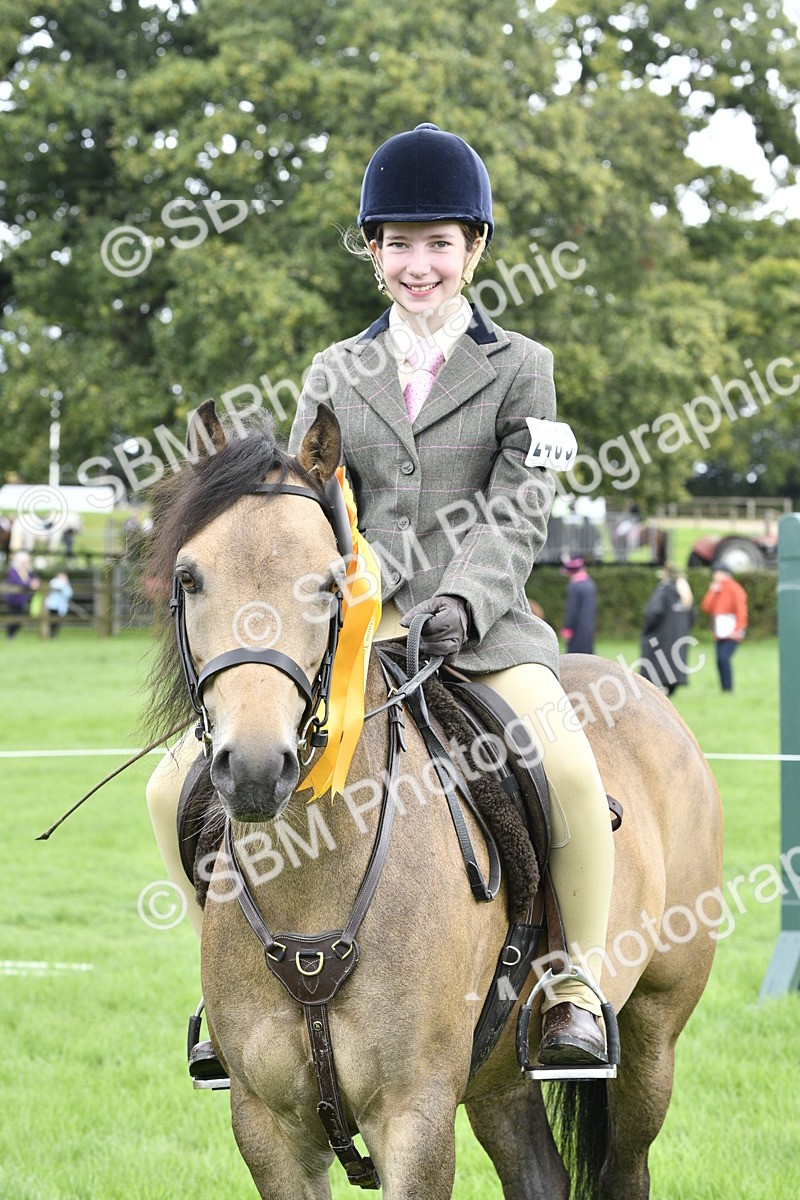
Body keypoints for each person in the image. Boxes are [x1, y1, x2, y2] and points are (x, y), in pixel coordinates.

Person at [147, 121, 616, 1074]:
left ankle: (577, 988)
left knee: (568, 772)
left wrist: (465, 600)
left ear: (473, 248)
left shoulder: (522, 366)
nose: (418, 264)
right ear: (373, 252)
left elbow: (521, 502)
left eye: (439, 243)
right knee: (171, 788)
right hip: (354, 627)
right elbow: (308, 510)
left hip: (480, 628)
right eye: (398, 244)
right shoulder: (334, 371)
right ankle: (225, 984)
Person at [639, 563, 695, 696]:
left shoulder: (663, 590)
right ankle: (671, 687)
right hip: (680, 635)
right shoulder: (685, 592)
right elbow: (692, 615)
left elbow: (653, 612)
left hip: (660, 635)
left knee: (658, 661)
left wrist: (647, 628)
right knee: (675, 660)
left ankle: (660, 687)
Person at [701, 565, 748, 692]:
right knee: (719, 660)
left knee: (724, 658)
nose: (714, 576)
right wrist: (712, 591)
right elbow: (706, 607)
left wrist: (738, 628)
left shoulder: (734, 588)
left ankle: (728, 688)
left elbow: (741, 610)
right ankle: (724, 688)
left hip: (732, 631)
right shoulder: (717, 589)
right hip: (720, 632)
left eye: (716, 573)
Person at [560, 556, 596, 653]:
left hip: (576, 631)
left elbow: (572, 610)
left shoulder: (575, 587)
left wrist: (568, 628)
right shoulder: (590, 584)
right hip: (588, 629)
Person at [4, 551, 39, 638]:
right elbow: (16, 582)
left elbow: (35, 579)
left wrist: (36, 582)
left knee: (21, 617)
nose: (24, 564)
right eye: (23, 562)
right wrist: (29, 584)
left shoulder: (28, 571)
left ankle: (12, 633)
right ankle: (10, 634)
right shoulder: (13, 571)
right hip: (13, 599)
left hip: (23, 599)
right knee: (13, 617)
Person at [44, 571, 73, 637]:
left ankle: (53, 634)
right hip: (52, 605)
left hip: (61, 606)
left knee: (57, 621)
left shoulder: (66, 584)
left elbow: (69, 594)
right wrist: (63, 584)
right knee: (51, 620)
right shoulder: (53, 582)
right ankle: (48, 633)